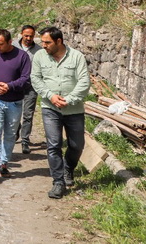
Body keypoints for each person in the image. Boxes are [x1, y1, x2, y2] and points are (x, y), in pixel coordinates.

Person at [30, 26, 91, 199]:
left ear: (59, 41)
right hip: (50, 108)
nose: (43, 45)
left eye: (47, 42)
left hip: (74, 109)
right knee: (53, 145)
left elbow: (84, 82)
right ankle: (58, 182)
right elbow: (35, 78)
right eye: (42, 42)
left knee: (76, 145)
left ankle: (68, 169)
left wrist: (69, 99)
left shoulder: (77, 57)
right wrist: (50, 96)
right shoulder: (40, 57)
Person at [0, 28, 31, 181]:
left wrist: (10, 86)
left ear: (10, 42)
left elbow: (26, 78)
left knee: (10, 133)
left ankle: (4, 163)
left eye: (0, 44)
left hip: (14, 101)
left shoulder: (22, 56)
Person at [13, 24, 41, 153]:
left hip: (30, 86)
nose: (28, 38)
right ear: (21, 34)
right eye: (26, 35)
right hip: (14, 86)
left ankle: (25, 140)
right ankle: (15, 131)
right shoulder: (13, 46)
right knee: (14, 113)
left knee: (28, 114)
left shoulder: (39, 51)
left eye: (31, 36)